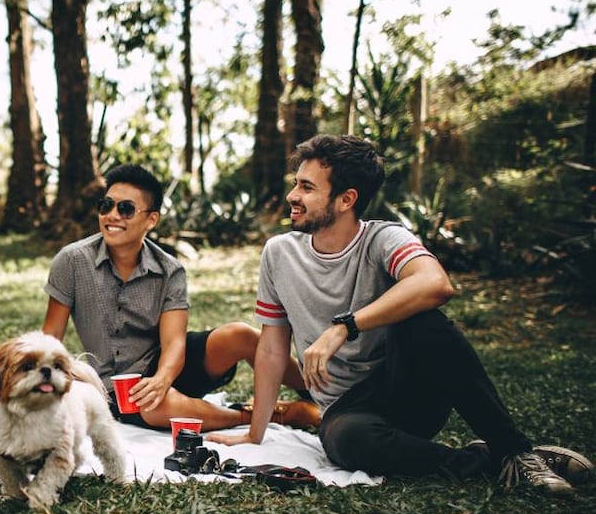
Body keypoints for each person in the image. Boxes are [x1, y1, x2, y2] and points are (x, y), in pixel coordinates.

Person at [207, 133, 592, 494]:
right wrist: (255, 434)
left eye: (307, 187)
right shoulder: (279, 253)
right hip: (346, 410)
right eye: (296, 183)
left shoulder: (383, 238)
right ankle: (489, 461)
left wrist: (345, 326)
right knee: (349, 442)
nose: (293, 195)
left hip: (408, 389)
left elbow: (435, 284)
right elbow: (273, 349)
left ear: (346, 199)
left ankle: (514, 451)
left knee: (424, 321)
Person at [42, 163, 319, 432]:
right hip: (117, 387)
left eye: (125, 209)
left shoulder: (169, 270)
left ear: (151, 219)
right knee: (156, 406)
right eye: (106, 205)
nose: (112, 215)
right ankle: (270, 415)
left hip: (167, 365)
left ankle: (320, 395)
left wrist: (162, 379)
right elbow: (50, 337)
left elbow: (174, 342)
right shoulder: (72, 261)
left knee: (241, 335)